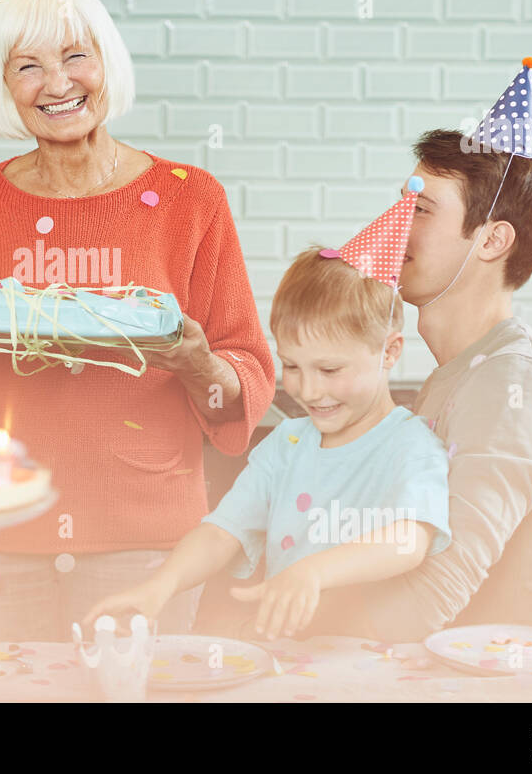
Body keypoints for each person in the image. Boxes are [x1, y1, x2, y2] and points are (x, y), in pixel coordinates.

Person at [0, 0, 274, 641]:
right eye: (27, 67)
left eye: (74, 56)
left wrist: (194, 360)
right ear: (3, 87)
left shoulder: (191, 200)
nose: (56, 84)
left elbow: (241, 388)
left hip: (145, 546)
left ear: (107, 63)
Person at [306, 61, 532, 639]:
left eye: (421, 210)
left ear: (492, 240)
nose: (395, 222)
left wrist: (312, 654)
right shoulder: (460, 374)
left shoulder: (517, 383)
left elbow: (438, 584)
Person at [85, 200, 452, 640]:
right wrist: (159, 586)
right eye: (292, 367)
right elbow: (224, 531)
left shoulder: (410, 444)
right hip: (293, 659)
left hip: (377, 663)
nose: (309, 390)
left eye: (330, 370)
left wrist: (312, 572)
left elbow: (409, 541)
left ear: (390, 352)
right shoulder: (287, 444)